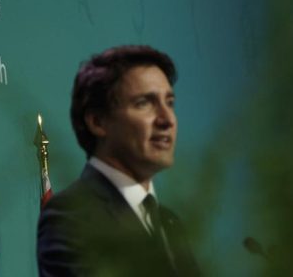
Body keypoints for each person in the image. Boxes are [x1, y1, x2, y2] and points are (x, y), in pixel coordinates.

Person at [37, 45, 201, 276]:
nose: (167, 119)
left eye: (170, 102)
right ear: (98, 121)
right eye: (144, 103)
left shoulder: (170, 224)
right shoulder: (71, 217)